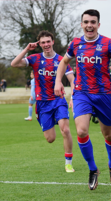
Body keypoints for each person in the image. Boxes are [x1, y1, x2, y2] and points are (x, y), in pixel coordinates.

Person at [54, 9, 111, 190]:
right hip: (81, 93)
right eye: (86, 22)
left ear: (98, 25)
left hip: (104, 95)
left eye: (93, 22)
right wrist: (58, 81)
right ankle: (93, 169)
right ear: (82, 24)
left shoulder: (107, 43)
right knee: (81, 131)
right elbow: (64, 62)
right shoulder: (75, 43)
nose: (89, 25)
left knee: (109, 135)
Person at [11, 30, 76, 173]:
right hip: (42, 103)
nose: (46, 44)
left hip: (58, 100)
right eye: (43, 42)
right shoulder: (34, 58)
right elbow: (14, 64)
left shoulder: (61, 60)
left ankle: (68, 163)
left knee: (65, 130)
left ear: (53, 42)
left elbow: (72, 80)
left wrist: (73, 98)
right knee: (50, 138)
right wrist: (27, 49)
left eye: (48, 41)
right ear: (39, 44)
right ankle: (45, 119)